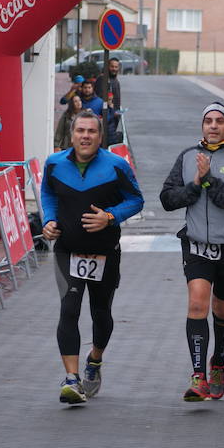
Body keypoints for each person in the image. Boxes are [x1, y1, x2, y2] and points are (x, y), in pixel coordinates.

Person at [41, 110, 144, 405]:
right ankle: (72, 379)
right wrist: (48, 220)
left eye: (91, 131)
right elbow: (48, 193)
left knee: (101, 314)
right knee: (69, 309)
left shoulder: (116, 166)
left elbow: (137, 200)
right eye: (80, 131)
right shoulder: (54, 163)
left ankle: (95, 359)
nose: (85, 136)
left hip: (104, 251)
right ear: (71, 134)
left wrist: (110, 217)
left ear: (100, 137)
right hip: (67, 249)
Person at [159, 102, 224, 401]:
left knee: (222, 310)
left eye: (219, 121)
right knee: (197, 305)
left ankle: (219, 364)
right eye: (208, 121)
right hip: (197, 245)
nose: (213, 126)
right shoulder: (188, 157)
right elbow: (166, 198)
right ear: (201, 126)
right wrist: (194, 185)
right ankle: (198, 376)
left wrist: (210, 180)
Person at [94, 58, 121, 144]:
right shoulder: (102, 79)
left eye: (116, 67)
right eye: (112, 66)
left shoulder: (116, 81)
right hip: (105, 118)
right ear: (107, 67)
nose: (114, 69)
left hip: (114, 117)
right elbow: (99, 99)